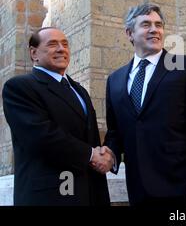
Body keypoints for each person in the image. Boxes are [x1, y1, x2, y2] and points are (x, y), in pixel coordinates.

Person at [102, 3, 186, 206]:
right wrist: (109, 154)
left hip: (184, 187)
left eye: (159, 25)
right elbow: (115, 131)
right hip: (139, 189)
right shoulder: (115, 80)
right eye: (146, 24)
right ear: (129, 33)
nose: (154, 29)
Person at [2, 27, 112, 206]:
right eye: (53, 44)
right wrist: (92, 155)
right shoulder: (19, 87)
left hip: (90, 193)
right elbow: (41, 136)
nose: (61, 49)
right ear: (34, 53)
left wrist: (107, 155)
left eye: (65, 44)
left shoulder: (79, 90)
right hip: (51, 196)